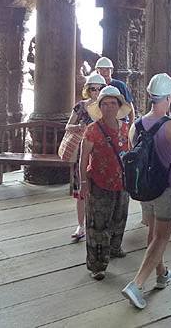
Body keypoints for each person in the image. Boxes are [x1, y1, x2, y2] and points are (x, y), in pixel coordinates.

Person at [121, 73, 171, 309]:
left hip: (144, 189)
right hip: (165, 189)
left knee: (153, 232)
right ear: (169, 97)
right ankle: (137, 284)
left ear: (150, 96)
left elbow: (134, 157)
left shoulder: (136, 125)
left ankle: (162, 273)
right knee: (162, 236)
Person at [79, 86, 132, 280]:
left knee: (119, 218)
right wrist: (83, 182)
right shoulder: (92, 130)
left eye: (113, 103)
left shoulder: (126, 129)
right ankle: (97, 265)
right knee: (97, 225)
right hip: (99, 183)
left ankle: (115, 248)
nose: (109, 107)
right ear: (99, 107)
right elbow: (83, 158)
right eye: (105, 103)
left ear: (119, 106)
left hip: (122, 183)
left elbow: (131, 154)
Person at [65, 72, 105, 241]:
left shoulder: (107, 107)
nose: (96, 92)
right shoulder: (80, 106)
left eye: (100, 89)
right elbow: (68, 126)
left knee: (101, 190)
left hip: (101, 155)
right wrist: (78, 127)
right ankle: (81, 225)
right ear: (88, 89)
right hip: (83, 152)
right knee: (81, 191)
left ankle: (100, 226)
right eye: (93, 88)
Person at [95, 57, 135, 121]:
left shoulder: (120, 85)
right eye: (102, 69)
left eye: (107, 69)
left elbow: (129, 106)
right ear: (97, 71)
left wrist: (131, 124)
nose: (105, 72)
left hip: (120, 121)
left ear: (112, 71)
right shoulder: (94, 87)